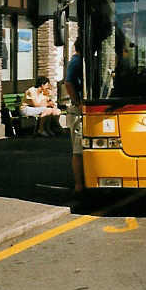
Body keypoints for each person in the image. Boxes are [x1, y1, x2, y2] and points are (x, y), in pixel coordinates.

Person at [65, 38, 85, 194]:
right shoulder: (77, 61)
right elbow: (69, 83)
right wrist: (78, 102)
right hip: (78, 111)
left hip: (82, 109)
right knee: (78, 150)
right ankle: (79, 185)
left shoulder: (80, 60)